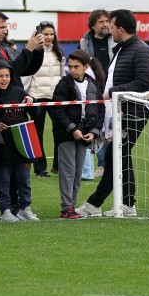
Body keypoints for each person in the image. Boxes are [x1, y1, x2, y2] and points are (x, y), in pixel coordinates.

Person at [76, 9, 149, 218]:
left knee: (116, 157)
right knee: (121, 157)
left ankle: (95, 203)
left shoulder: (140, 50)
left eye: (111, 26)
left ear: (120, 29)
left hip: (133, 112)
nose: (109, 30)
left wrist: (111, 92)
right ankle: (128, 205)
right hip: (120, 112)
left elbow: (145, 82)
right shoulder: (122, 48)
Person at [0, 9, 44, 218]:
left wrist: (37, 50)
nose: (5, 30)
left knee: (14, 164)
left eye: (6, 26)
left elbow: (23, 69)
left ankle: (16, 206)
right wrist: (27, 50)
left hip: (14, 108)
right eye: (1, 26)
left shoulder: (3, 47)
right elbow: (11, 69)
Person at [51, 50, 104, 219]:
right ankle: (66, 207)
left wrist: (94, 132)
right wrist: (73, 129)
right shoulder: (63, 84)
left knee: (77, 172)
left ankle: (71, 205)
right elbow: (58, 111)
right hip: (66, 135)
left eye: (76, 67)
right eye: (70, 66)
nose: (72, 70)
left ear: (86, 67)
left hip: (85, 135)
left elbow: (100, 110)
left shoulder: (93, 85)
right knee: (67, 171)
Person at [0, 61, 38, 222]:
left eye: (7, 76)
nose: (4, 79)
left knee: (24, 178)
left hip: (22, 143)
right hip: (2, 146)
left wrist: (31, 101)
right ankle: (5, 210)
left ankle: (25, 208)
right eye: (0, 76)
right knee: (3, 179)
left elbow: (35, 112)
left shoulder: (18, 92)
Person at [78, 9, 114, 178]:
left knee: (111, 125)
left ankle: (110, 163)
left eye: (107, 21)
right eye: (101, 22)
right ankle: (101, 164)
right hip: (93, 87)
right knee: (98, 123)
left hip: (112, 87)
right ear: (93, 25)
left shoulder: (114, 39)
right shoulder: (85, 41)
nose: (106, 24)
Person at [27, 20, 64, 177]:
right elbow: (27, 76)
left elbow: (62, 77)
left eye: (51, 34)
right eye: (46, 34)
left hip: (55, 98)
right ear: (38, 34)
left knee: (61, 131)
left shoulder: (58, 52)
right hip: (37, 97)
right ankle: (40, 169)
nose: (49, 37)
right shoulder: (32, 52)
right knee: (38, 134)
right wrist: (27, 94)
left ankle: (58, 165)